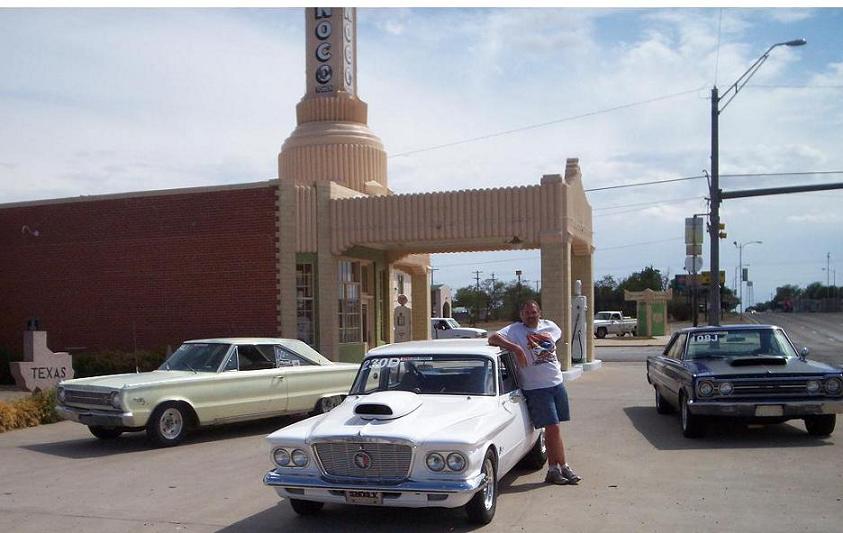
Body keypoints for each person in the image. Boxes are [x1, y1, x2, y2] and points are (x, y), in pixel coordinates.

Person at [488, 300, 581, 485]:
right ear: (521, 315)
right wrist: (516, 348)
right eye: (527, 312)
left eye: (534, 312)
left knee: (554, 429)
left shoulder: (551, 326)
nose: (531, 315)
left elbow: (555, 342)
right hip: (536, 388)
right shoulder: (515, 330)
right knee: (552, 427)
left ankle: (554, 470)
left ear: (540, 312)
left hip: (556, 383)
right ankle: (564, 467)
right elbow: (492, 338)